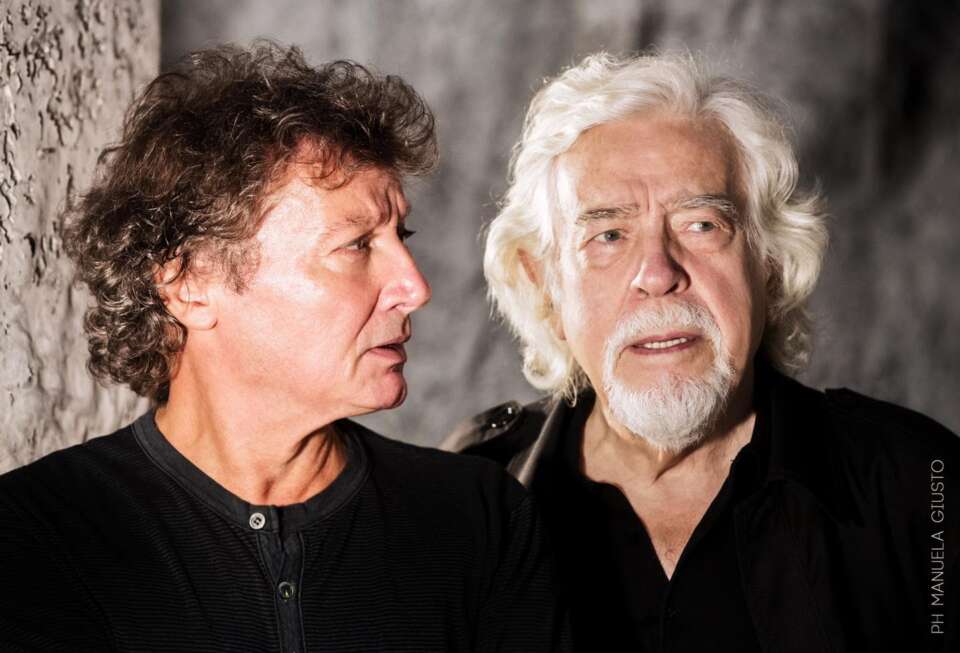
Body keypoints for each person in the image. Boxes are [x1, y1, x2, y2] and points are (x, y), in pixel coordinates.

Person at [0, 43, 567, 652]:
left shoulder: (479, 520)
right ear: (190, 284)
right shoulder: (38, 538)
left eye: (399, 236)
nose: (414, 287)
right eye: (356, 245)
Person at [445, 52, 959, 652]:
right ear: (545, 287)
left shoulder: (921, 484)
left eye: (702, 225)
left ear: (769, 262)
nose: (658, 273)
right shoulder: (469, 498)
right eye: (608, 235)